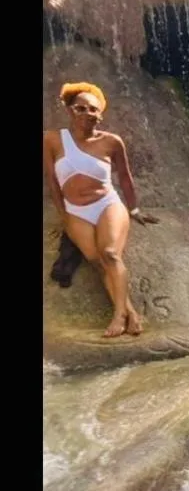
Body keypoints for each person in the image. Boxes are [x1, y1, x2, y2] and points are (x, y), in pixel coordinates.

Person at [42, 83, 158, 337]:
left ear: (100, 114)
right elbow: (52, 181)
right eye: (80, 108)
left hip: (107, 204)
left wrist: (135, 209)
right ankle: (132, 313)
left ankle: (118, 316)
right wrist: (64, 215)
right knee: (96, 262)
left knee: (110, 255)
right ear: (70, 111)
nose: (86, 113)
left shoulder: (111, 142)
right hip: (75, 210)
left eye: (92, 109)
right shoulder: (52, 139)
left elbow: (125, 179)